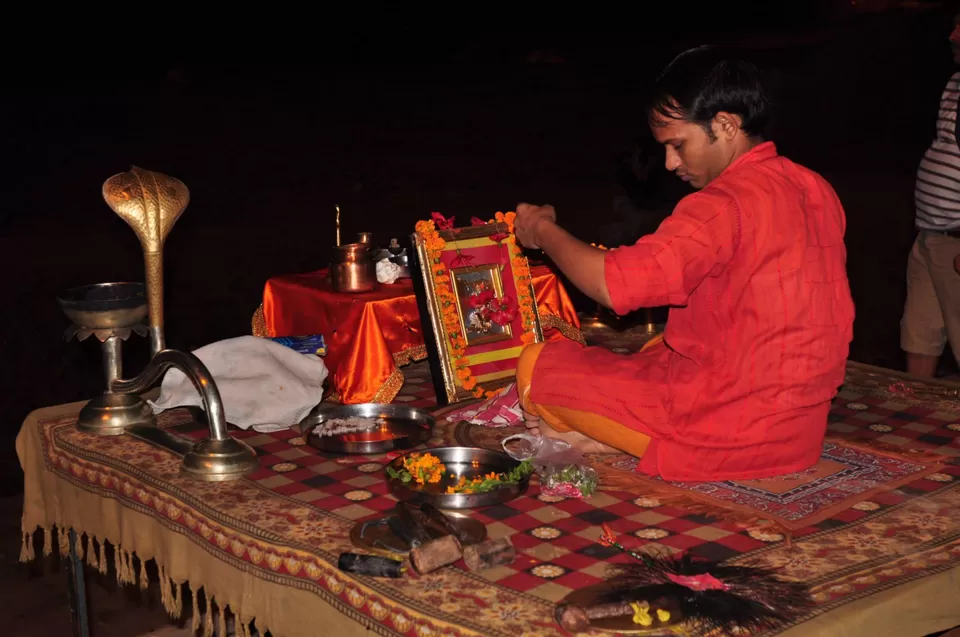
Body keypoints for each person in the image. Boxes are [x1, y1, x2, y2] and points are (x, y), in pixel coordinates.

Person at [512, 46, 855, 482]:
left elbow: (614, 287)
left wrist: (543, 232)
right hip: (800, 429)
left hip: (729, 428)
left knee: (540, 365)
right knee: (660, 348)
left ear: (726, 124)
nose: (671, 163)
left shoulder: (720, 204)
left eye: (678, 144)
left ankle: (618, 435)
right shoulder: (815, 187)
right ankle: (608, 435)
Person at [900, 14, 960, 378]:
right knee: (918, 336)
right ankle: (916, 416)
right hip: (930, 234)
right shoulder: (955, 82)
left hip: (955, 239)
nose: (952, 35)